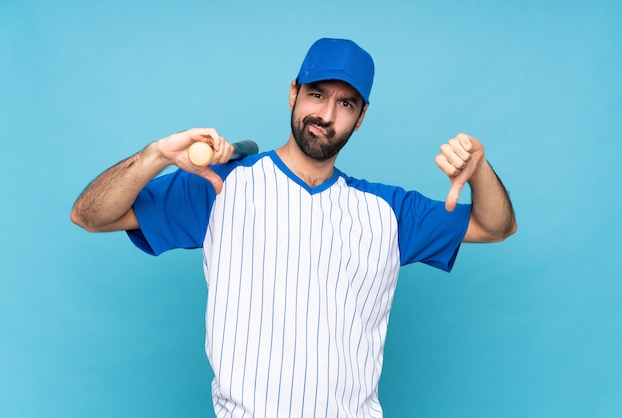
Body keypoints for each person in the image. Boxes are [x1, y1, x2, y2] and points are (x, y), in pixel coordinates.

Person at [71, 38, 516, 418]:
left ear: (361, 117)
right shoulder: (219, 186)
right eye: (317, 94)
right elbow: (91, 215)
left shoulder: (389, 210)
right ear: (293, 93)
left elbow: (496, 226)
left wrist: (478, 167)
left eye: (346, 103)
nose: (327, 114)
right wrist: (155, 156)